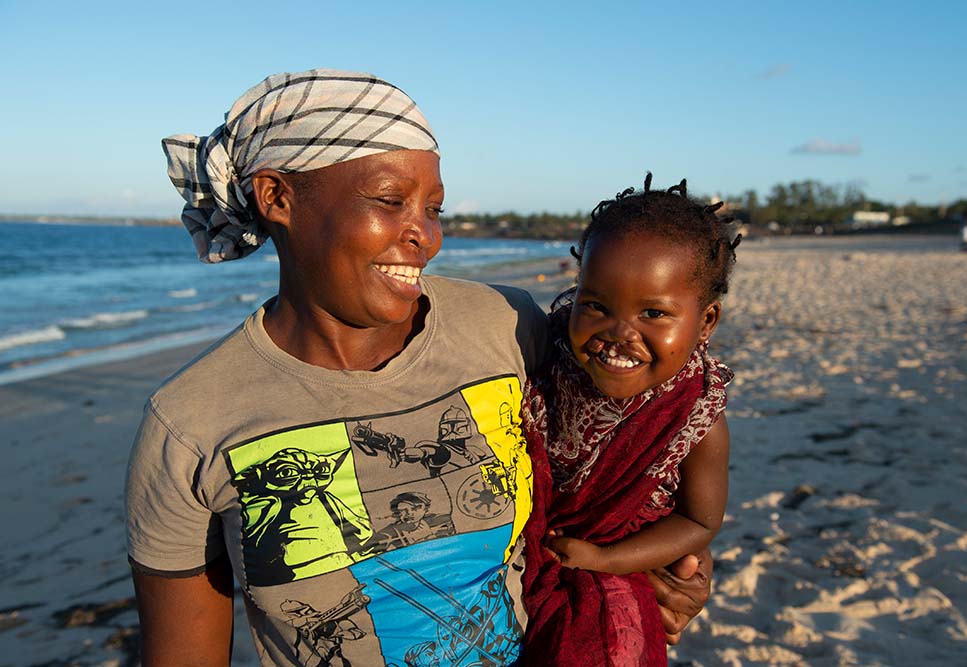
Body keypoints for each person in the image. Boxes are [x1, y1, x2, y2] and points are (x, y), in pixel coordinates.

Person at [125, 69, 711, 667]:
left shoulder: (505, 324)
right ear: (277, 197)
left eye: (433, 208)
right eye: (389, 201)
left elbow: (633, 437)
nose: (425, 237)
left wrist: (667, 565)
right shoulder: (189, 424)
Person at [521, 175, 739, 666]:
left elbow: (699, 520)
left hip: (621, 570)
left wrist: (605, 560)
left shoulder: (696, 419)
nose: (619, 334)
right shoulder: (542, 357)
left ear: (706, 321)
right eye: (595, 305)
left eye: (654, 313)